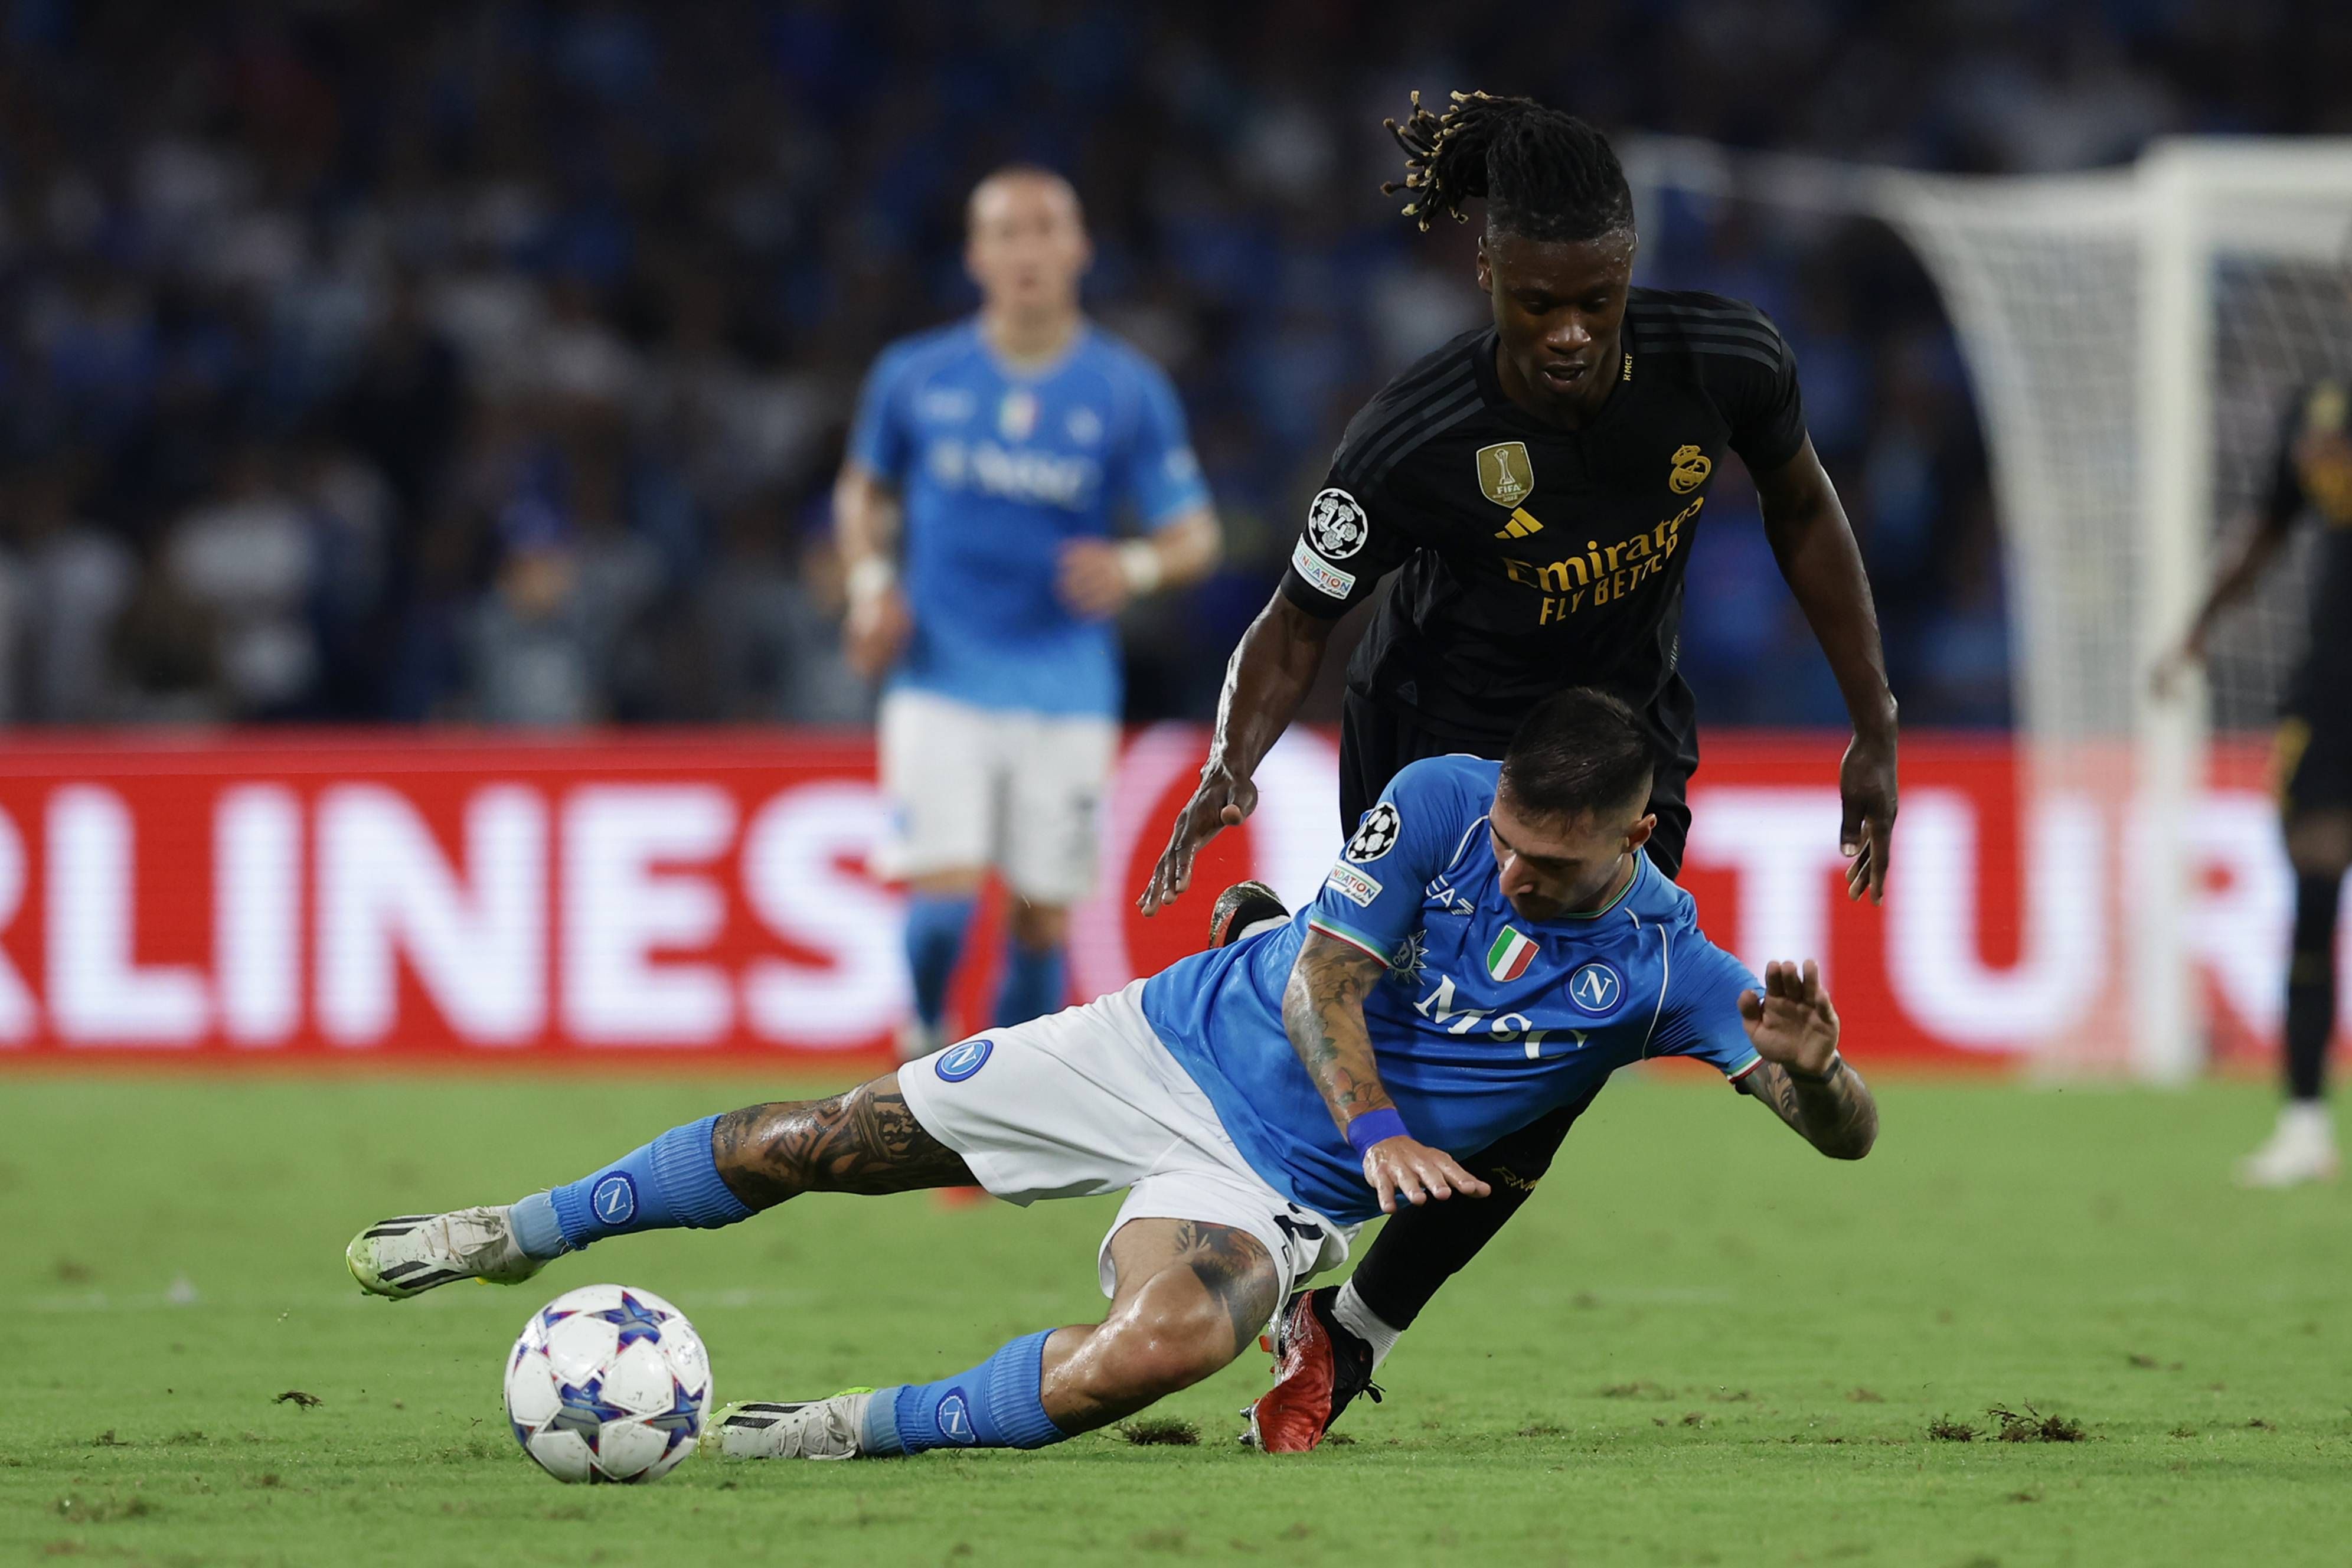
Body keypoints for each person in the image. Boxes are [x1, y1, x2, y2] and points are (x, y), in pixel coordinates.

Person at [345, 689, 1876, 1461]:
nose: (1522, 874)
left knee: (1155, 1357)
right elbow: (1336, 985)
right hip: (1167, 1040)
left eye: (1556, 865)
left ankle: (821, 1431)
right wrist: (1385, 1125)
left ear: (1630, 840)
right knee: (827, 1138)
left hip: (1268, 1187)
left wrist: (1814, 1081)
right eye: (1514, 851)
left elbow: (1846, 1145)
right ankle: (511, 1233)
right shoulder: (1437, 801)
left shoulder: (1675, 967)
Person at [1137, 90, 1900, 1449]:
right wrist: (1229, 762)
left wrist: (1874, 717)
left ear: (1629, 269)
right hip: (1436, 749)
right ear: (1485, 270)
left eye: (1597, 301)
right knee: (1424, 1024)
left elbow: (1803, 507)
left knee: (1557, 1059)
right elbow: (1299, 618)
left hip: (1625, 751)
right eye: (1538, 301)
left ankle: (1347, 1336)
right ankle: (1290, 949)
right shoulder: (1412, 436)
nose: (1569, 333)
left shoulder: (1727, 361)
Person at [838, 166, 1224, 1059]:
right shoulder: (915, 375)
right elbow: (863, 490)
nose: (1028, 249)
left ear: (1080, 249)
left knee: (1042, 920)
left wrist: (1132, 563)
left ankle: (1000, 1102)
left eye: (1047, 228)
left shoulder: (1125, 389)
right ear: (977, 256)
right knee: (940, 907)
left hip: (1065, 681)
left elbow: (1195, 534)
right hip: (939, 672)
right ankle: (925, 1037)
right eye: (1006, 232)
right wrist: (869, 586)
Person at [2155, 372, 2352, 1185]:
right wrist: (2200, 624)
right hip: (2333, 688)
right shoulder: (2319, 407)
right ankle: (2305, 1125)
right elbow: (2267, 531)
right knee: (2312, 891)